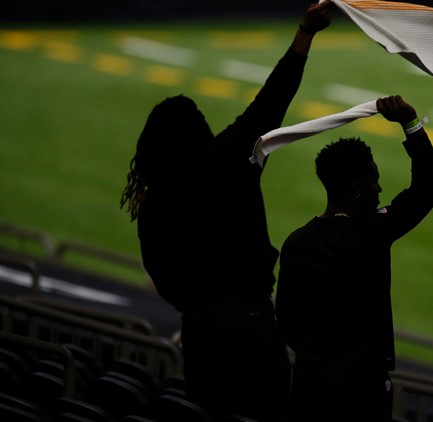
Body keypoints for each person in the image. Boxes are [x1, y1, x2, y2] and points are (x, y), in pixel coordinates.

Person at [119, 3, 334, 420]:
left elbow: (162, 276)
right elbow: (268, 107)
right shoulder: (220, 163)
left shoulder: (152, 202)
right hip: (249, 326)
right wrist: (304, 33)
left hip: (197, 334)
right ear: (198, 131)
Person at [275, 95, 433, 422]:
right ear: (356, 186)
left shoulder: (297, 242)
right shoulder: (371, 232)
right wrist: (411, 124)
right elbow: (429, 188)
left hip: (310, 382)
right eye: (374, 180)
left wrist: (319, 355)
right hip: (362, 390)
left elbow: (287, 322)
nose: (379, 189)